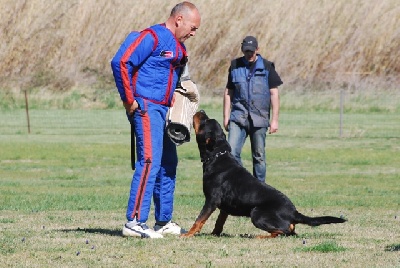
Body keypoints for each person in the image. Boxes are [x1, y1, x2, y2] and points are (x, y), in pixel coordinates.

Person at [110, 2, 201, 238]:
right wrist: (129, 100)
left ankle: (163, 220)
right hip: (146, 108)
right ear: (179, 19)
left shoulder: (179, 48)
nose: (193, 33)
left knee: (168, 163)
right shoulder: (151, 36)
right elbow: (121, 62)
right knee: (150, 161)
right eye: (193, 27)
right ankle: (134, 221)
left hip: (165, 112)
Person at [223, 36, 282, 182]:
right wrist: (226, 117)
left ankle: (260, 187)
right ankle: (242, 183)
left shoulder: (268, 67)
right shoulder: (235, 66)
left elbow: (274, 94)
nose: (249, 54)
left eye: (251, 51)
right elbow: (228, 92)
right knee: (231, 152)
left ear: (257, 49)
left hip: (259, 117)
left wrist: (274, 120)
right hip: (238, 116)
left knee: (259, 156)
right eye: (246, 51)